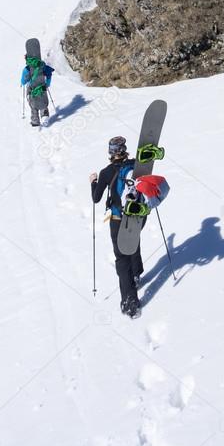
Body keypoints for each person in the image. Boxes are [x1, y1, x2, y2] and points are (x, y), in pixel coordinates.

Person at [90, 136, 144, 317]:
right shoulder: (136, 165)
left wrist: (93, 183)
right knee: (133, 241)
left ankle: (130, 300)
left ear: (111, 152)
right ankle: (137, 275)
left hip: (117, 217)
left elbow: (96, 198)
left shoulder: (106, 172)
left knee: (122, 257)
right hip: (137, 214)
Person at [21, 53, 53, 127]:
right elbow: (49, 74)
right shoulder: (43, 66)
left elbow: (23, 81)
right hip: (42, 87)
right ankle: (44, 115)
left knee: (33, 106)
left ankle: (35, 121)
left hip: (31, 89)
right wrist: (47, 84)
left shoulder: (26, 69)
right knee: (43, 101)